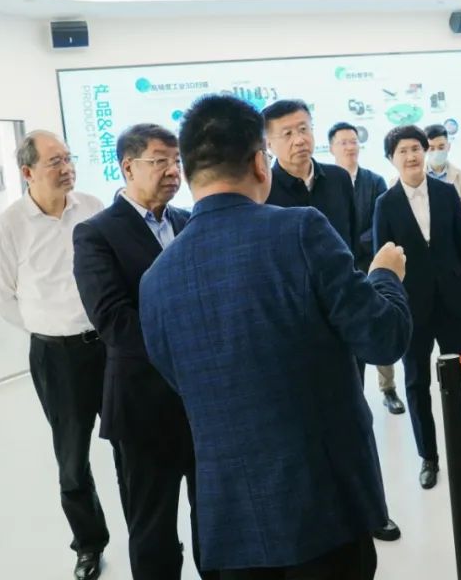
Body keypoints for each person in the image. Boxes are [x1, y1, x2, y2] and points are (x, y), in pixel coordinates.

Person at [140, 94, 412, 579]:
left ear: (190, 171)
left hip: (230, 525)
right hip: (325, 508)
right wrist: (385, 275)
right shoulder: (300, 230)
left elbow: (178, 380)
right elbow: (382, 338)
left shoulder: (156, 279)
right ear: (258, 163)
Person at [73, 124, 211, 580]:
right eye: (160, 161)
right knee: (153, 527)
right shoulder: (96, 233)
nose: (173, 170)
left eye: (177, 160)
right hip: (143, 405)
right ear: (128, 167)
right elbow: (114, 320)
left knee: (214, 517)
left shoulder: (190, 221)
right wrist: (190, 348)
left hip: (204, 402)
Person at [263, 100, 401, 543]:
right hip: (292, 327)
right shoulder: (263, 189)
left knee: (354, 416)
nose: (299, 139)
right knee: (302, 425)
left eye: (304, 128)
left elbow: (352, 247)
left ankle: (371, 510)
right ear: (268, 143)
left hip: (343, 316)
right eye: (287, 133)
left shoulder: (339, 180)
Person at [0, 131, 109, 580]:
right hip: (57, 356)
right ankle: (89, 543)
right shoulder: (9, 227)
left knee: (133, 443)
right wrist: (48, 325)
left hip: (108, 346)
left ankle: (144, 529)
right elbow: (1, 296)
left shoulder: (93, 207)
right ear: (27, 171)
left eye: (68, 158)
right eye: (55, 161)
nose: (67, 168)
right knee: (72, 460)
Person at [374, 125, 461, 490]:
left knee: (459, 379)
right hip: (411, 307)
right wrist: (389, 306)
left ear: (425, 151)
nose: (411, 156)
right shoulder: (385, 204)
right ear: (391, 158)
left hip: (453, 300)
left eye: (415, 148)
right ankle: (429, 457)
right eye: (402, 151)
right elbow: (383, 262)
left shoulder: (446, 192)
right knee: (416, 382)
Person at [328, 121, 405, 416]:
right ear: (332, 148)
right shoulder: (328, 182)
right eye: (343, 142)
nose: (350, 147)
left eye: (353, 141)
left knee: (378, 322)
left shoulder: (374, 181)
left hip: (370, 264)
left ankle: (389, 389)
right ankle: (354, 393)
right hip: (335, 269)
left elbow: (380, 225)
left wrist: (352, 245)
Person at [423, 124, 461, 227]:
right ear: (424, 149)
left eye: (441, 147)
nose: (436, 152)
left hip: (457, 234)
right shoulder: (417, 177)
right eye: (431, 148)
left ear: (448, 147)